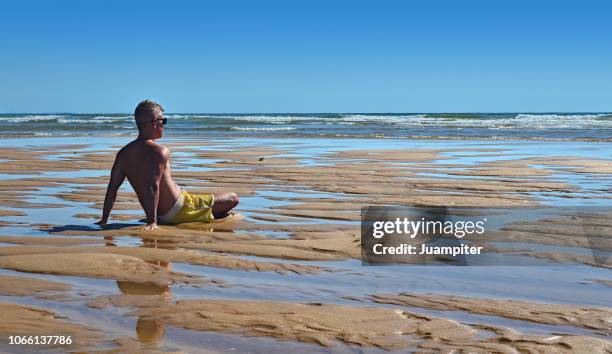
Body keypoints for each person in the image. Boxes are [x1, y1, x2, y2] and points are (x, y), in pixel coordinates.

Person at [96, 99, 239, 230]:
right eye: (163, 121)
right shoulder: (159, 151)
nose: (164, 125)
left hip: (158, 213)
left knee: (213, 202)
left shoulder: (123, 153)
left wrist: (104, 219)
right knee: (233, 198)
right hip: (180, 208)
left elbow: (112, 188)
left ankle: (205, 214)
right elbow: (153, 185)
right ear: (154, 122)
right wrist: (152, 222)